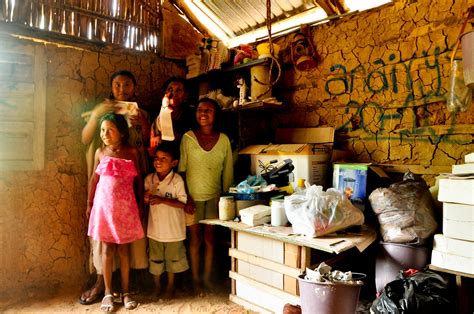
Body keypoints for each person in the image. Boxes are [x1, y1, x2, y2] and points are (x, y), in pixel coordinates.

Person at [80, 70, 149, 305]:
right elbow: (85, 138)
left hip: (127, 191)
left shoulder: (139, 114)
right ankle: (103, 285)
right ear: (111, 88)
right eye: (117, 85)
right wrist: (98, 115)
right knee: (104, 243)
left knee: (128, 245)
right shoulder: (102, 112)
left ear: (134, 87)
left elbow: (148, 144)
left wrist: (145, 123)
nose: (122, 89)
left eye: (127, 84)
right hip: (104, 189)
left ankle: (128, 286)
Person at [87, 113, 144, 311]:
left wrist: (141, 206)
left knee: (124, 250)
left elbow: (139, 181)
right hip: (104, 209)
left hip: (125, 210)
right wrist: (89, 204)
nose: (105, 134)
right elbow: (94, 181)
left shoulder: (132, 153)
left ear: (121, 132)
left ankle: (126, 292)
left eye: (110, 130)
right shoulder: (100, 152)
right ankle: (108, 293)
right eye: (102, 130)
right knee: (106, 250)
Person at [178, 97, 233, 292]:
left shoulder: (224, 140)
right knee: (195, 239)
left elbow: (227, 173)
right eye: (200, 110)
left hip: (214, 197)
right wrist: (187, 197)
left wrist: (225, 199)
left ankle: (207, 278)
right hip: (192, 198)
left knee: (210, 239)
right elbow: (182, 171)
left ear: (216, 114)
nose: (203, 113)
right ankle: (195, 279)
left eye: (208, 110)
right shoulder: (188, 138)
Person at [144, 142, 189, 299]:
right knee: (155, 261)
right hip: (155, 231)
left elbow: (182, 203)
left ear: (174, 163)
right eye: (156, 158)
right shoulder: (150, 179)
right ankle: (157, 287)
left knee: (173, 262)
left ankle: (170, 287)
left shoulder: (176, 181)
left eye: (164, 158)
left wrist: (162, 200)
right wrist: (146, 198)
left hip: (173, 232)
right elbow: (145, 202)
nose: (158, 161)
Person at [148, 77, 195, 156]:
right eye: (170, 89)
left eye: (179, 90)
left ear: (185, 95)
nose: (174, 93)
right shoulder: (157, 113)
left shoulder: (190, 114)